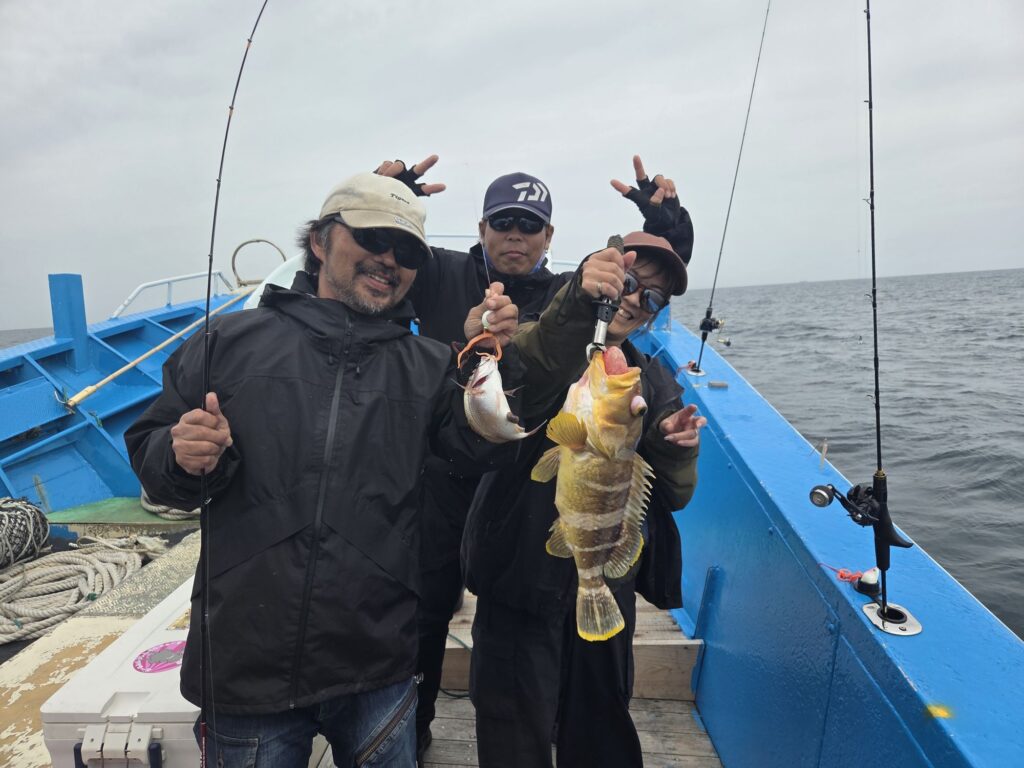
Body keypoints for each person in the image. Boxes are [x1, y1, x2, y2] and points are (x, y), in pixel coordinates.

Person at [123, 171, 523, 768]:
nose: (389, 260)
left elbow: (485, 449)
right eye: (372, 238)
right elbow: (153, 455)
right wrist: (181, 455)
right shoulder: (226, 341)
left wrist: (496, 359)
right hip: (246, 664)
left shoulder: (429, 365)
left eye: (408, 250)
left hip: (378, 659)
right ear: (319, 241)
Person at [462, 231, 707, 768]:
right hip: (518, 579)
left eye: (653, 297)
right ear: (601, 276)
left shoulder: (648, 379)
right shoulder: (537, 342)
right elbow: (530, 369)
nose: (636, 298)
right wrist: (576, 303)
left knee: (601, 729)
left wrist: (675, 448)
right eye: (629, 281)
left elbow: (676, 495)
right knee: (511, 732)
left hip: (605, 585)